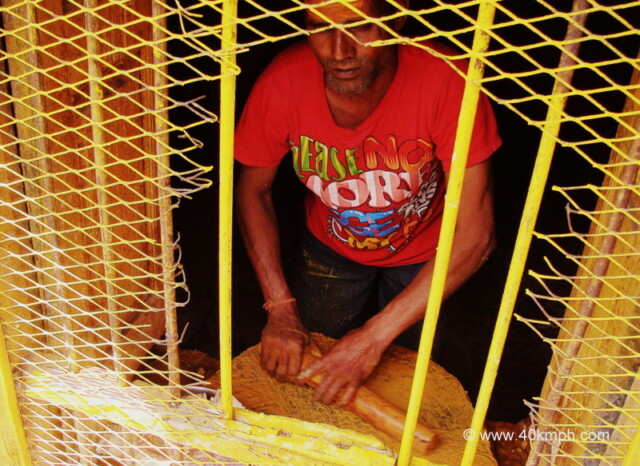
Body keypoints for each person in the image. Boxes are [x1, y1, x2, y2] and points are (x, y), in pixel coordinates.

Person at [234, 0, 501, 406]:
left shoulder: (446, 80)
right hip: (330, 245)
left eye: (360, 27)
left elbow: (476, 235)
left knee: (406, 376)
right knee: (312, 366)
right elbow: (254, 190)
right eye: (320, 29)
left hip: (427, 255)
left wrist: (374, 338)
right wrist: (280, 306)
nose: (339, 52)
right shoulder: (283, 82)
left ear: (397, 17)